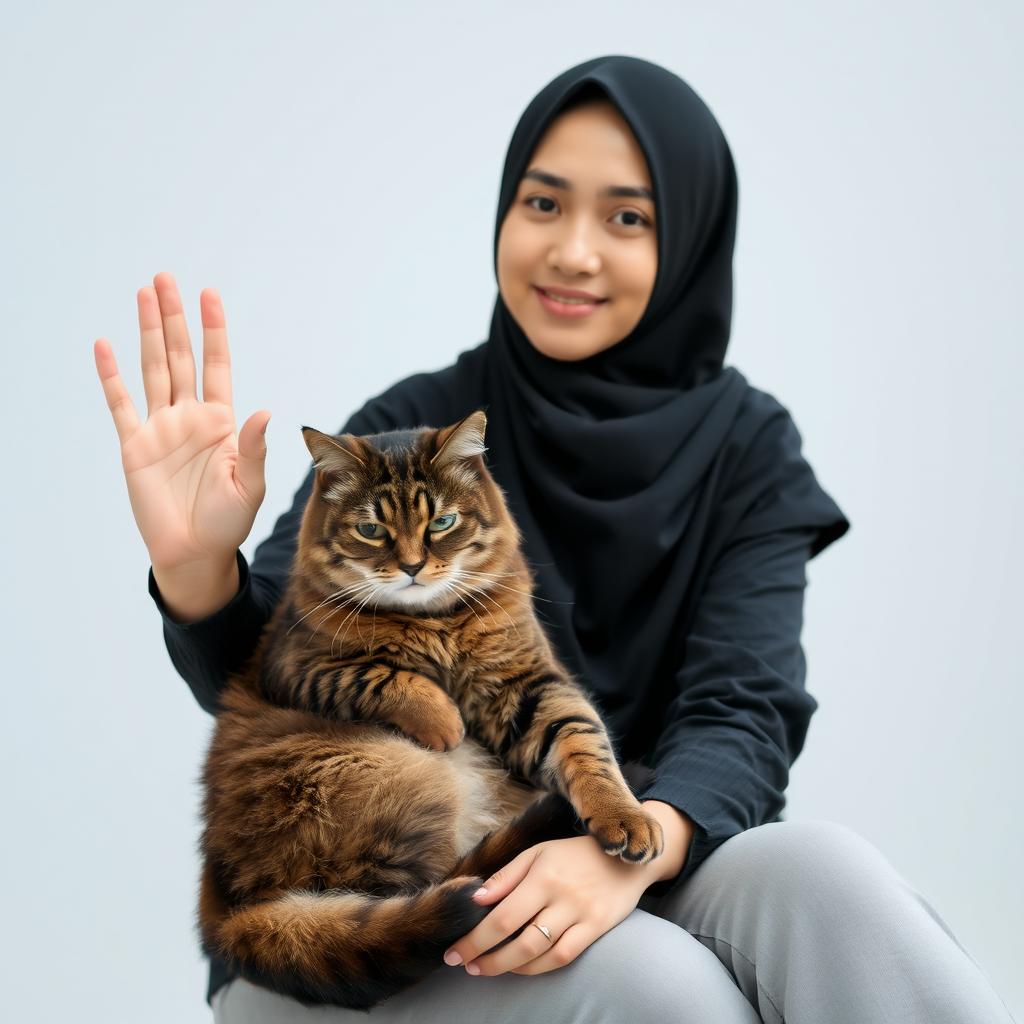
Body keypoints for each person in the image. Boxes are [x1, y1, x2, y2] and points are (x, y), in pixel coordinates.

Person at [94, 55, 1015, 1024]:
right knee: (660, 987)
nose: (572, 251)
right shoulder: (416, 425)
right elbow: (271, 682)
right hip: (359, 916)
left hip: (622, 845)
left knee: (827, 875)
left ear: (691, 238)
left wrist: (642, 839)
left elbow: (744, 706)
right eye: (542, 203)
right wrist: (196, 567)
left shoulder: (748, 444)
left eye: (626, 217)